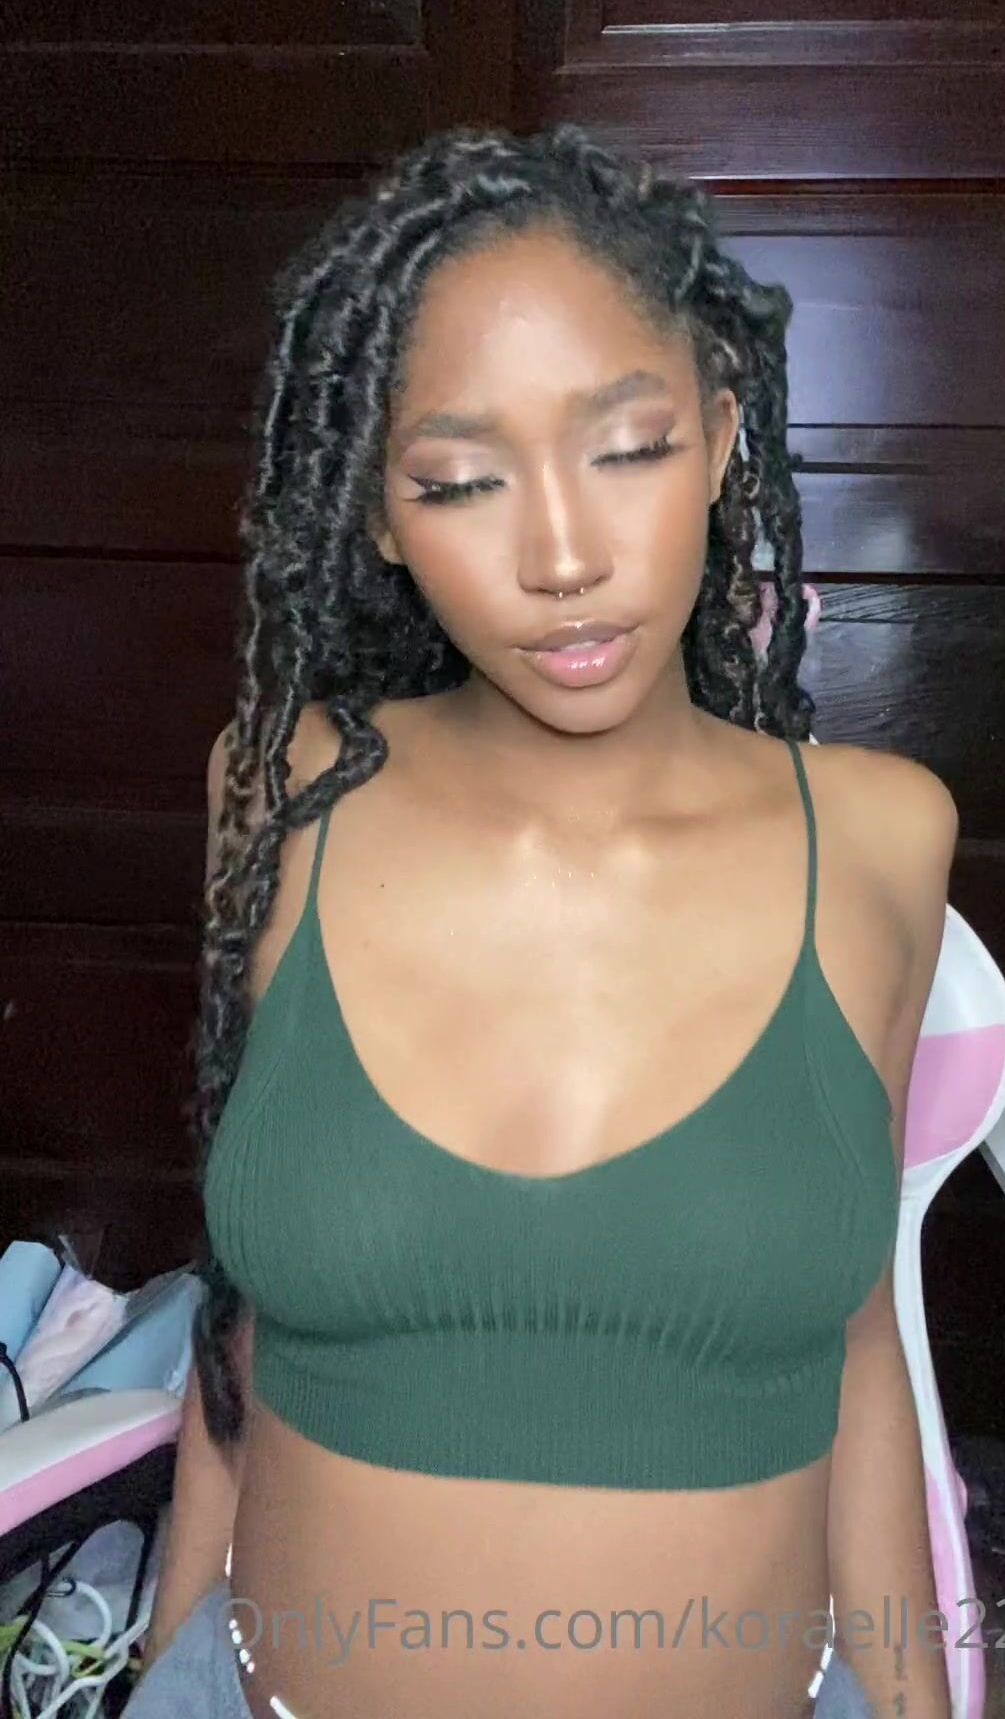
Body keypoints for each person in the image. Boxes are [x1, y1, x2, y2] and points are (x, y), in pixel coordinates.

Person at [128, 123, 956, 1718]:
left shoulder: (878, 839)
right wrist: (163, 1660)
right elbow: (249, 1329)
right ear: (378, 515)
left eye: (629, 449)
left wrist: (915, 1698)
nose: (564, 557)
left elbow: (856, 1347)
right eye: (459, 481)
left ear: (722, 436)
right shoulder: (276, 790)